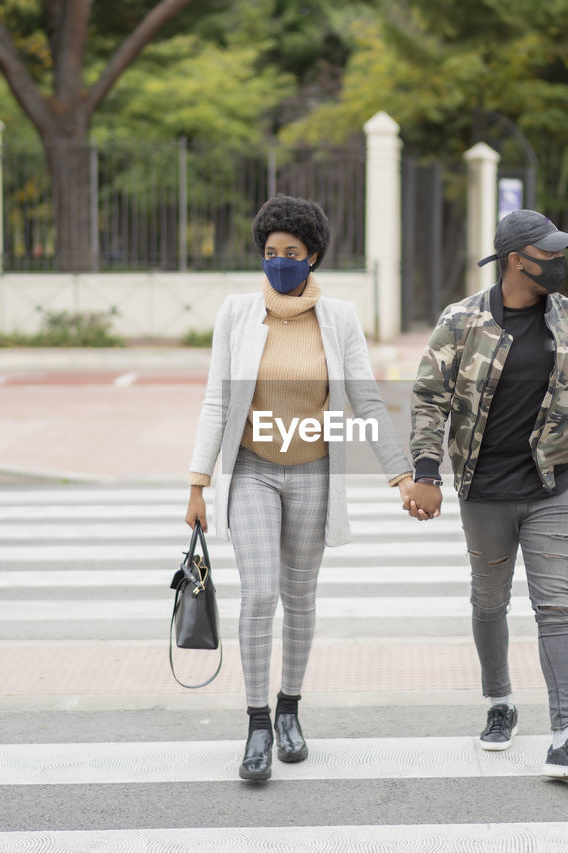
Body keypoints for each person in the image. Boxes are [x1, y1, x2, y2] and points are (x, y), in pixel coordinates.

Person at [186, 195, 416, 781]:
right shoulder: (237, 314)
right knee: (260, 594)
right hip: (253, 471)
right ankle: (258, 723)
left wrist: (401, 471)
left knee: (301, 598)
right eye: (270, 253)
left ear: (312, 256)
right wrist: (198, 482)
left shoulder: (338, 319)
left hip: (314, 471)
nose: (279, 262)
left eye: (291, 253)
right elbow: (217, 399)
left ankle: (291, 709)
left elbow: (363, 397)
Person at [406, 209, 568, 782]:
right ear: (515, 261)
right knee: (489, 601)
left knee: (556, 605)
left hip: (553, 487)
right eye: (548, 255)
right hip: (483, 490)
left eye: (560, 254)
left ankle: (567, 736)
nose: (559, 264)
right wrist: (426, 474)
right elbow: (428, 397)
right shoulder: (462, 321)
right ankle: (500, 702)